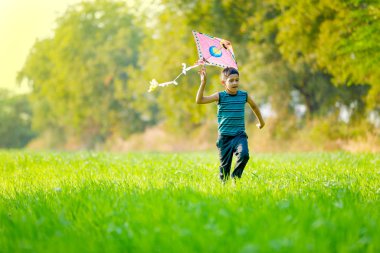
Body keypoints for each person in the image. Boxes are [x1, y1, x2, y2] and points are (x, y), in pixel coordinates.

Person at [195, 66, 265, 182]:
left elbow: (254, 106)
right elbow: (200, 100)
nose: (235, 82)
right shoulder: (220, 96)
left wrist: (261, 122)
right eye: (231, 80)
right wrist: (203, 82)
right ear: (223, 82)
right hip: (225, 137)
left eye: (237, 80)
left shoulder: (244, 95)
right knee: (224, 172)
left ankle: (236, 178)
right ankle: (225, 188)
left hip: (239, 135)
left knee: (244, 155)